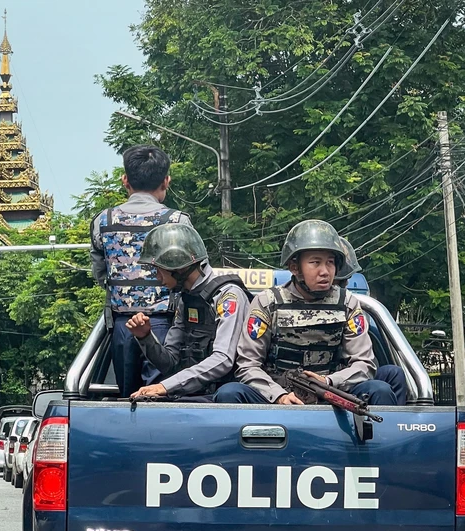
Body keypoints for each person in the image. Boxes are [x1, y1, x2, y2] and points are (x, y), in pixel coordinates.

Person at [215, 220, 395, 406]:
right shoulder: (268, 302)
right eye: (315, 262)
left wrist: (329, 382)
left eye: (330, 262)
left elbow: (364, 363)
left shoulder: (348, 302)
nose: (324, 271)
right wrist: (278, 396)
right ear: (295, 267)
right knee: (229, 393)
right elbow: (248, 365)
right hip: (276, 396)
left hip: (331, 395)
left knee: (380, 390)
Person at [89, 145, 192, 397]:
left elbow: (100, 274)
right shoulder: (178, 222)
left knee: (128, 401)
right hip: (165, 327)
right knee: (160, 398)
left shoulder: (103, 221)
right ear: (166, 180)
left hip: (122, 326)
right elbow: (192, 276)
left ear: (125, 180)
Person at [126, 225, 252, 400]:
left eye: (158, 269)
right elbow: (170, 364)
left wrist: (165, 387)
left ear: (176, 267)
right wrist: (144, 337)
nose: (157, 277)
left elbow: (223, 359)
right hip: (195, 398)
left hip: (226, 400)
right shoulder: (186, 299)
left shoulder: (228, 297)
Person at [335, 237, 407, 406]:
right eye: (342, 280)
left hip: (344, 379)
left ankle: (395, 426)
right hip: (300, 384)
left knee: (393, 373)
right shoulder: (276, 306)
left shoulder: (350, 307)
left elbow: (364, 362)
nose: (346, 283)